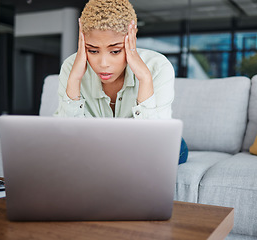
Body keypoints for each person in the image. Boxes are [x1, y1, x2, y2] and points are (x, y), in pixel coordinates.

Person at [54, 0, 187, 164]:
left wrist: (145, 78)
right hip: (99, 145)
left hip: (143, 143)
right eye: (93, 50)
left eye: (115, 51)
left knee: (174, 148)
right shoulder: (70, 67)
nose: (103, 63)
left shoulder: (157, 66)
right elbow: (65, 138)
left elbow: (156, 143)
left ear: (132, 38)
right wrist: (74, 79)